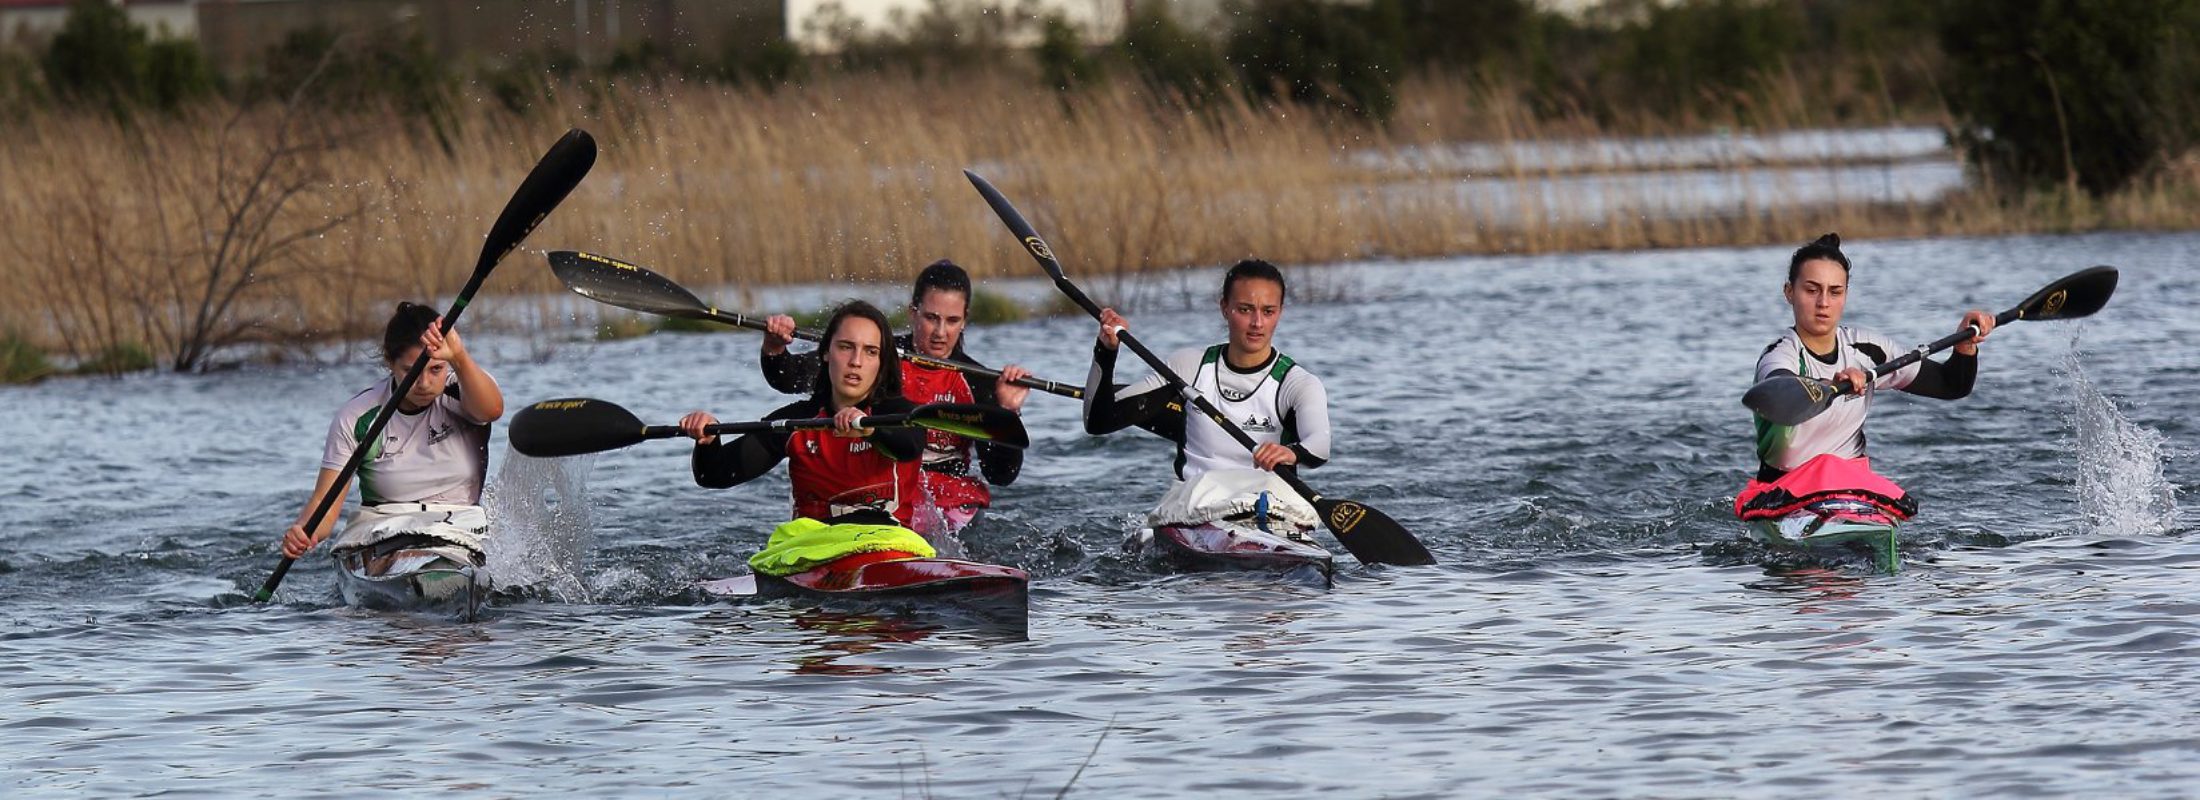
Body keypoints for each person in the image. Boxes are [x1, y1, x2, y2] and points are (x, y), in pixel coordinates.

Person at [757, 260, 1031, 538]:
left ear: (965, 320)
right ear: (913, 313)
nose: (940, 332)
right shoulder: (875, 356)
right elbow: (788, 378)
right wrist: (775, 349)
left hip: (951, 507)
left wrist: (1007, 411)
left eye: (952, 321)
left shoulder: (979, 383)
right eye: (931, 317)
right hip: (881, 495)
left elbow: (1001, 474)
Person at [1736, 233, 1994, 517]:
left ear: (1845, 295)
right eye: (1811, 290)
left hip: (1852, 489)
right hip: (1785, 490)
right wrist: (1830, 385)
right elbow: (1781, 390)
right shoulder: (1779, 355)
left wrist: (1965, 346)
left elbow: (1950, 385)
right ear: (1789, 292)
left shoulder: (1867, 349)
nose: (1823, 302)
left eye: (1835, 292)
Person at [279, 302, 505, 573]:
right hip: (382, 532)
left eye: (436, 370)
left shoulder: (463, 389)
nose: (423, 384)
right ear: (390, 362)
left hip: (460, 530)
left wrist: (459, 356)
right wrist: (304, 532)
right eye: (411, 370)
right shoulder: (357, 417)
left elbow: (492, 410)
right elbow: (323, 505)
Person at [1082, 258, 1331, 483]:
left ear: (1280, 312)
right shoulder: (1189, 368)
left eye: (1268, 311)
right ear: (1224, 308)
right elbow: (1099, 421)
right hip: (1195, 509)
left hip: (1271, 507)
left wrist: (1290, 453)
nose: (1257, 323)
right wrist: (1106, 351)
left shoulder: (1298, 384)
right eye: (1245, 309)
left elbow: (1319, 446)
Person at [683, 300, 927, 528]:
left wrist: (871, 431)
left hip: (890, 546)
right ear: (825, 353)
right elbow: (713, 475)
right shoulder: (798, 422)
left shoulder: (901, 414)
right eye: (846, 347)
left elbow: (910, 447)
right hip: (813, 551)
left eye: (870, 352)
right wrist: (708, 442)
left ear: (881, 363)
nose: (856, 361)